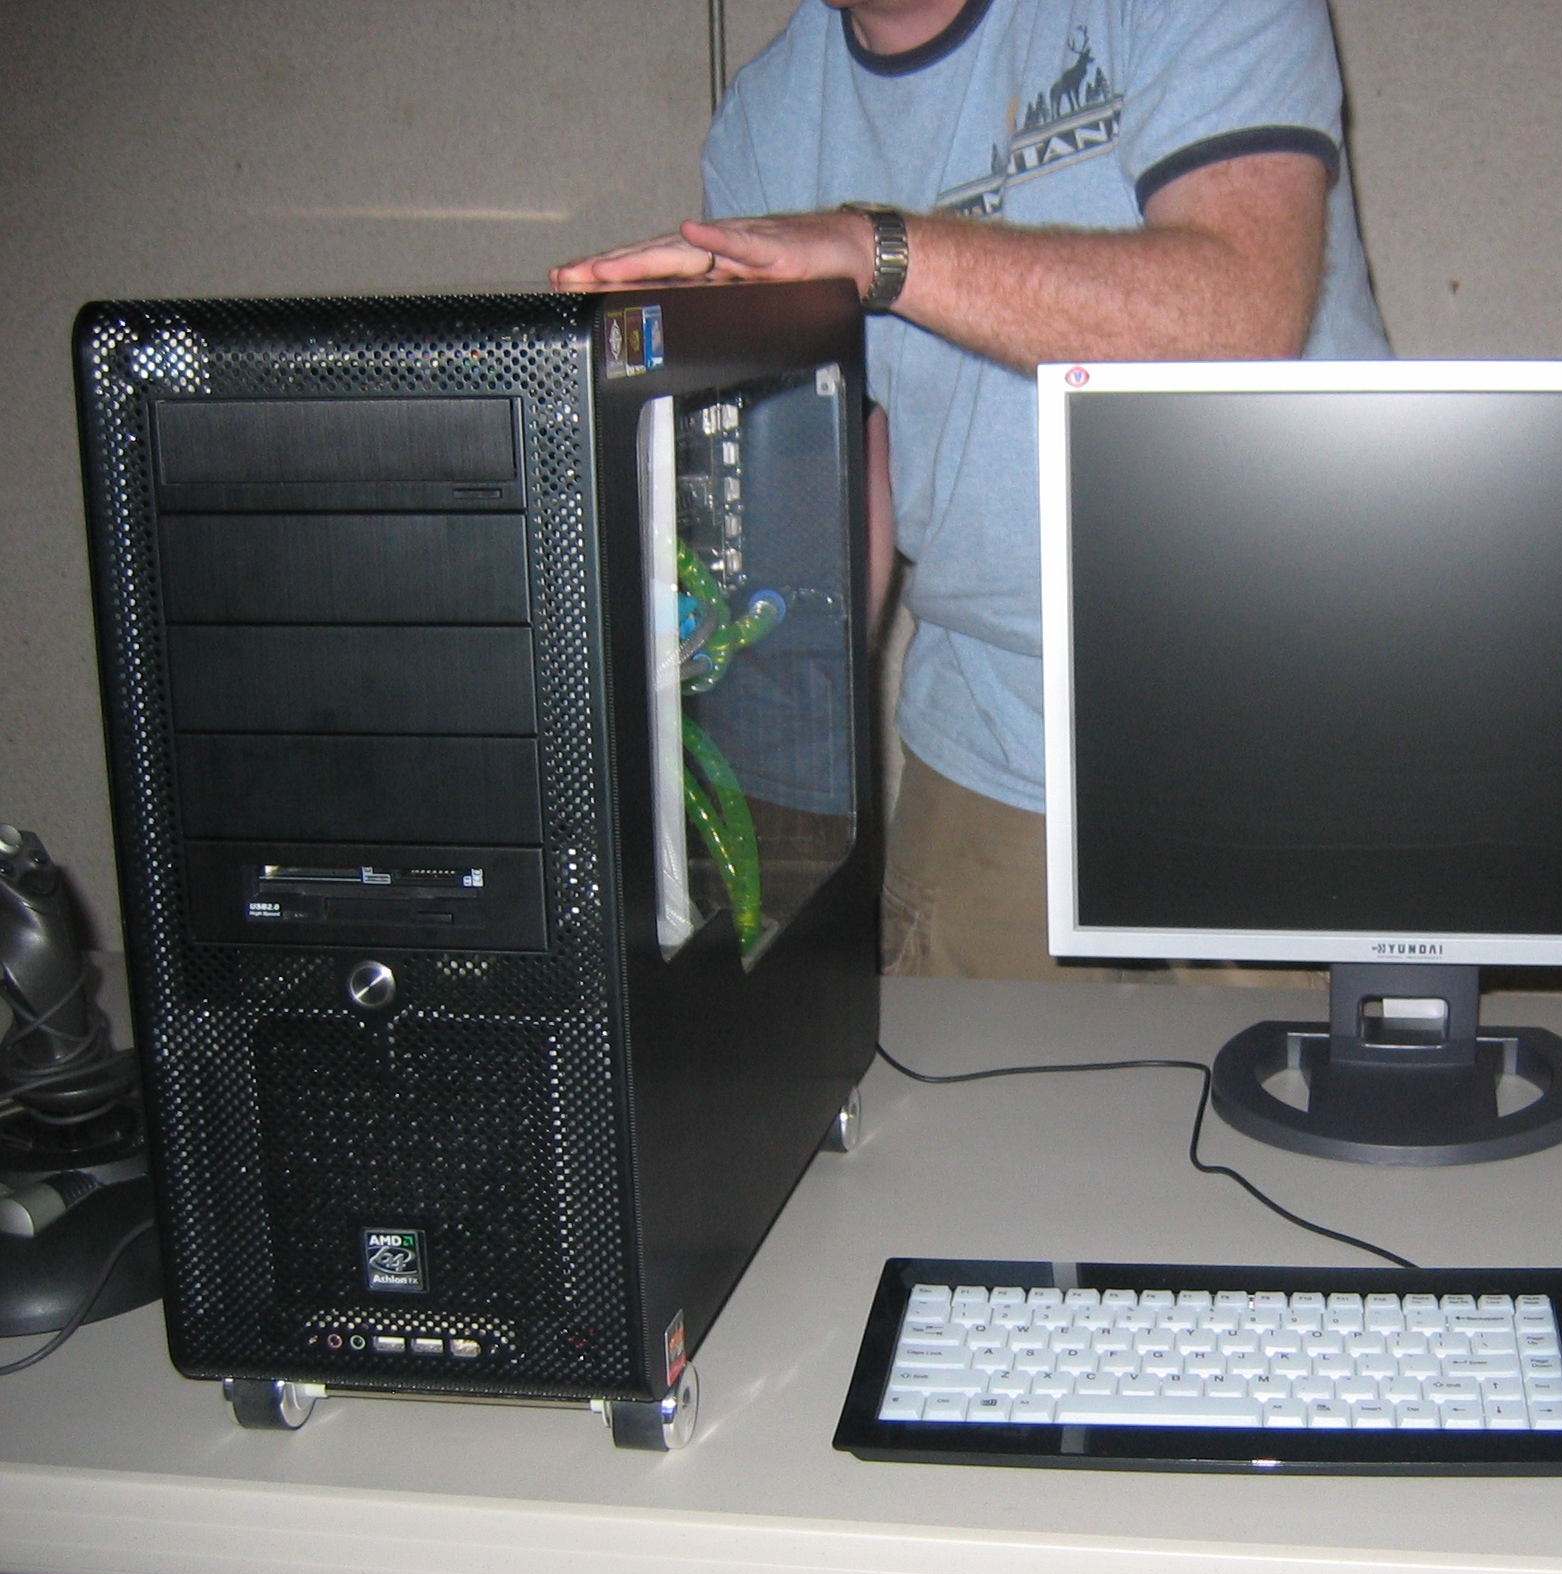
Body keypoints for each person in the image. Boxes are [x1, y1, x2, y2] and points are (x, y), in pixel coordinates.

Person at [556, 0, 1391, 988]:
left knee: (1300, 1091)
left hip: (1297, 748)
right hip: (993, 752)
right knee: (954, 1092)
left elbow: (1240, 321)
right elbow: (834, 489)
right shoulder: (768, 116)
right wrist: (763, 846)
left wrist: (877, 252)